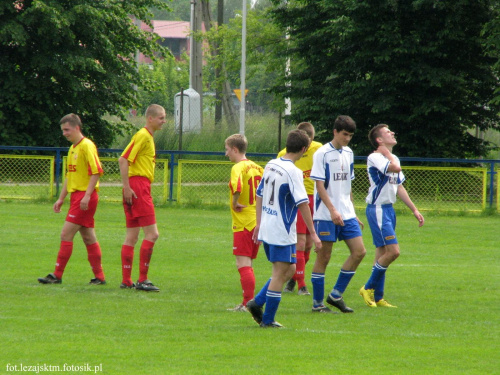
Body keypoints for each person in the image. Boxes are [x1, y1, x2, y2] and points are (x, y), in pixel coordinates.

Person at [247, 130, 322, 328]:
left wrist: (259, 223)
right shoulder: (293, 172)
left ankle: (257, 303)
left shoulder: (272, 163)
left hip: (268, 225)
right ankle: (268, 319)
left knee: (289, 269)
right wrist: (313, 234)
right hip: (282, 230)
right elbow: (303, 203)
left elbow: (260, 193)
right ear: (304, 149)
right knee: (280, 273)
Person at [359, 124, 424, 308]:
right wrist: (387, 154)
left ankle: (378, 298)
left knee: (382, 253)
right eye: (388, 132)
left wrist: (414, 210)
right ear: (379, 140)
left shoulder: (392, 157)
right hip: (377, 209)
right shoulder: (376, 157)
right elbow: (394, 168)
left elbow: (399, 187)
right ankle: (368, 287)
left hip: (388, 209)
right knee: (393, 252)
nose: (393, 133)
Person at [38, 114, 106, 285]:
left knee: (66, 234)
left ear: (77, 128)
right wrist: (61, 199)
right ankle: (100, 277)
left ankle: (57, 275)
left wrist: (87, 195)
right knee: (89, 237)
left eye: (67, 130)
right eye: (63, 130)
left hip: (84, 197)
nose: (64, 133)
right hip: (78, 197)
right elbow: (70, 176)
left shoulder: (87, 146)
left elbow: (96, 171)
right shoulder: (73, 148)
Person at [309, 115, 366, 313]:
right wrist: (332, 210)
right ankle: (317, 304)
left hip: (347, 213)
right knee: (324, 257)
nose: (347, 139)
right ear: (335, 132)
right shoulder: (322, 153)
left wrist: (352, 211)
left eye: (350, 135)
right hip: (325, 214)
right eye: (344, 134)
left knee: (359, 252)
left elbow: (347, 185)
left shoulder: (349, 153)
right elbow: (319, 184)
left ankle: (335, 295)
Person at [119, 104, 166, 292]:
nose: (164, 121)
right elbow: (123, 159)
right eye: (161, 117)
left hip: (135, 186)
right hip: (137, 186)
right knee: (152, 234)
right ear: (150, 118)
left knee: (132, 235)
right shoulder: (143, 135)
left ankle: (126, 280)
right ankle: (142, 280)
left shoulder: (147, 136)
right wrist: (127, 187)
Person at [278, 122, 323, 296]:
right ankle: (302, 285)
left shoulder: (319, 150)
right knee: (301, 242)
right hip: (297, 201)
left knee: (309, 245)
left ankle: (294, 277)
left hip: (315, 199)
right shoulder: (284, 154)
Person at [224, 134, 264, 312]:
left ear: (235, 149)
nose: (226, 154)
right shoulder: (259, 168)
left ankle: (247, 304)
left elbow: (237, 185)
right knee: (248, 263)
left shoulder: (238, 167)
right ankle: (250, 301)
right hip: (258, 222)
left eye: (227, 150)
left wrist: (234, 202)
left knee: (243, 264)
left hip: (244, 223)